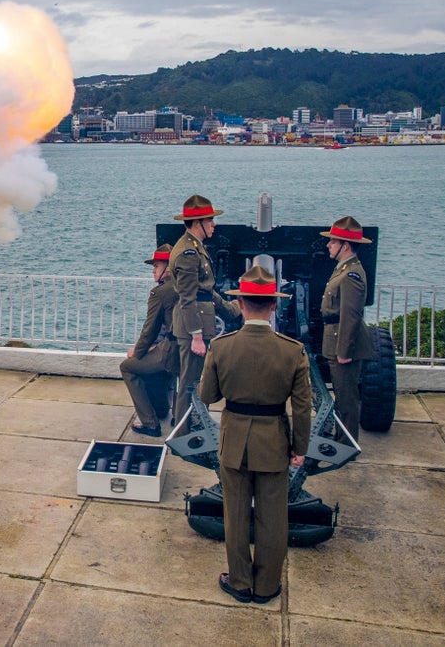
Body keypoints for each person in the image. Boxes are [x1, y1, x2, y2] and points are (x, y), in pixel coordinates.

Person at [199, 265, 311, 605]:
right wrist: (300, 448)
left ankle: (240, 582)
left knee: (235, 515)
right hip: (274, 441)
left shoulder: (222, 346)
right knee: (273, 517)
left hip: (234, 440)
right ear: (273, 305)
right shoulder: (292, 350)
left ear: (242, 304)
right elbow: (303, 408)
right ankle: (266, 586)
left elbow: (207, 396)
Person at [169, 195, 240, 422]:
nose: (213, 224)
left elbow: (206, 292)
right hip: (194, 326)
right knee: (189, 384)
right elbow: (188, 298)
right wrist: (196, 336)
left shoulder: (195, 248)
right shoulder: (188, 253)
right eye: (209, 220)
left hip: (199, 322)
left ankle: (197, 427)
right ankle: (182, 433)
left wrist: (232, 309)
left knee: (197, 382)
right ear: (197, 222)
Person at [320, 216, 374, 441]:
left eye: (332, 242)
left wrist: (344, 351)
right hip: (334, 338)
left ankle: (347, 442)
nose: (328, 245)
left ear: (346, 245)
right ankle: (342, 437)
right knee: (342, 394)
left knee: (346, 396)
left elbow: (351, 315)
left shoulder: (351, 274)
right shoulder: (344, 268)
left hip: (341, 343)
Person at [121, 244, 180, 436]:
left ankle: (149, 423)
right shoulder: (187, 286)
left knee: (128, 366)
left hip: (170, 348)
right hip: (186, 349)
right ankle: (175, 416)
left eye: (156, 266)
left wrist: (137, 352)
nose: (153, 270)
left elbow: (150, 330)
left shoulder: (160, 293)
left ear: (168, 269)